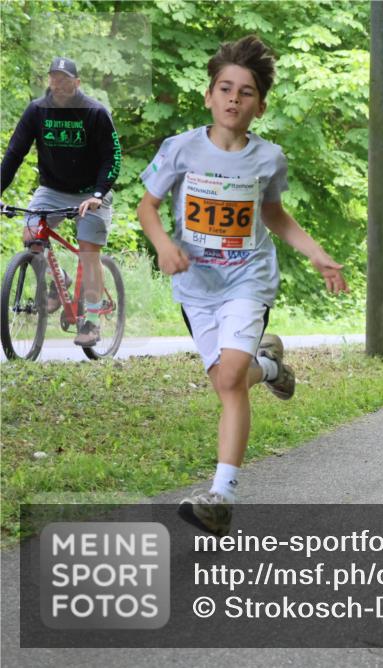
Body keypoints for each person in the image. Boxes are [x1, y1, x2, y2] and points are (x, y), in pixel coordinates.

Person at [137, 35, 348, 536]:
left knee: (230, 379)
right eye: (225, 89)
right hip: (196, 286)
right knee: (226, 381)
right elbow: (146, 206)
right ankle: (271, 365)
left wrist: (318, 255)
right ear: (209, 96)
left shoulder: (268, 159)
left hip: (247, 279)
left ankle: (221, 495)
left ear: (260, 104)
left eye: (246, 91)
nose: (234, 99)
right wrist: (164, 244)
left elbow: (274, 215)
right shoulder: (180, 149)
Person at [0, 56, 121, 347]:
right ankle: (61, 279)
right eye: (54, 78)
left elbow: (112, 158)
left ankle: (91, 321)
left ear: (77, 83)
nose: (59, 84)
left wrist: (98, 195)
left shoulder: (94, 112)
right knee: (31, 235)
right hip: (52, 189)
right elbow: (15, 154)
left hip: (92, 191)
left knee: (89, 252)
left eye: (65, 80)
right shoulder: (37, 110)